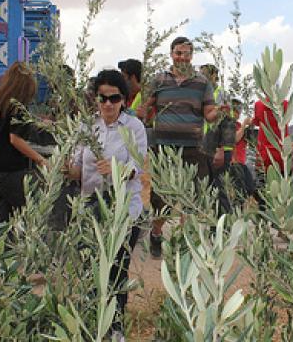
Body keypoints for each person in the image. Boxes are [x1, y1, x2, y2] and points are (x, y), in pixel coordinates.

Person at [67, 69, 147, 337]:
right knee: (91, 269)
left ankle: (115, 329)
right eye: (103, 98)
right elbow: (77, 167)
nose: (108, 104)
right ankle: (93, 326)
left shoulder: (133, 128)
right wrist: (62, 167)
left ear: (123, 99)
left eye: (114, 98)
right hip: (91, 206)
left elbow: (138, 167)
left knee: (115, 271)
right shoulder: (87, 127)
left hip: (124, 208)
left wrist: (114, 169)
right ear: (96, 99)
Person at [141, 36, 217, 258]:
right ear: (171, 54)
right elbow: (144, 109)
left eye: (186, 53)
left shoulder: (202, 83)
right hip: (164, 149)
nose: (182, 57)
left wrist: (220, 111)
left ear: (192, 56)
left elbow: (209, 115)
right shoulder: (158, 81)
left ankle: (185, 242)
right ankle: (156, 233)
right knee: (161, 197)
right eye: (178, 53)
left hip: (194, 147)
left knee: (191, 196)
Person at [0, 62, 46, 223]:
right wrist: (41, 160)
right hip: (11, 170)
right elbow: (15, 139)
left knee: (0, 220)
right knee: (28, 218)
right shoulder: (18, 107)